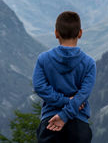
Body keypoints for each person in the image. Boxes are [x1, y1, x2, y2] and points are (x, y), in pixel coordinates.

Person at [32, 11, 96, 143]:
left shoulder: (43, 59)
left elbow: (39, 87)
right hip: (79, 125)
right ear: (80, 33)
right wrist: (70, 104)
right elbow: (83, 94)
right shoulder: (89, 63)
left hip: (50, 122)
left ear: (56, 33)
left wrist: (63, 110)